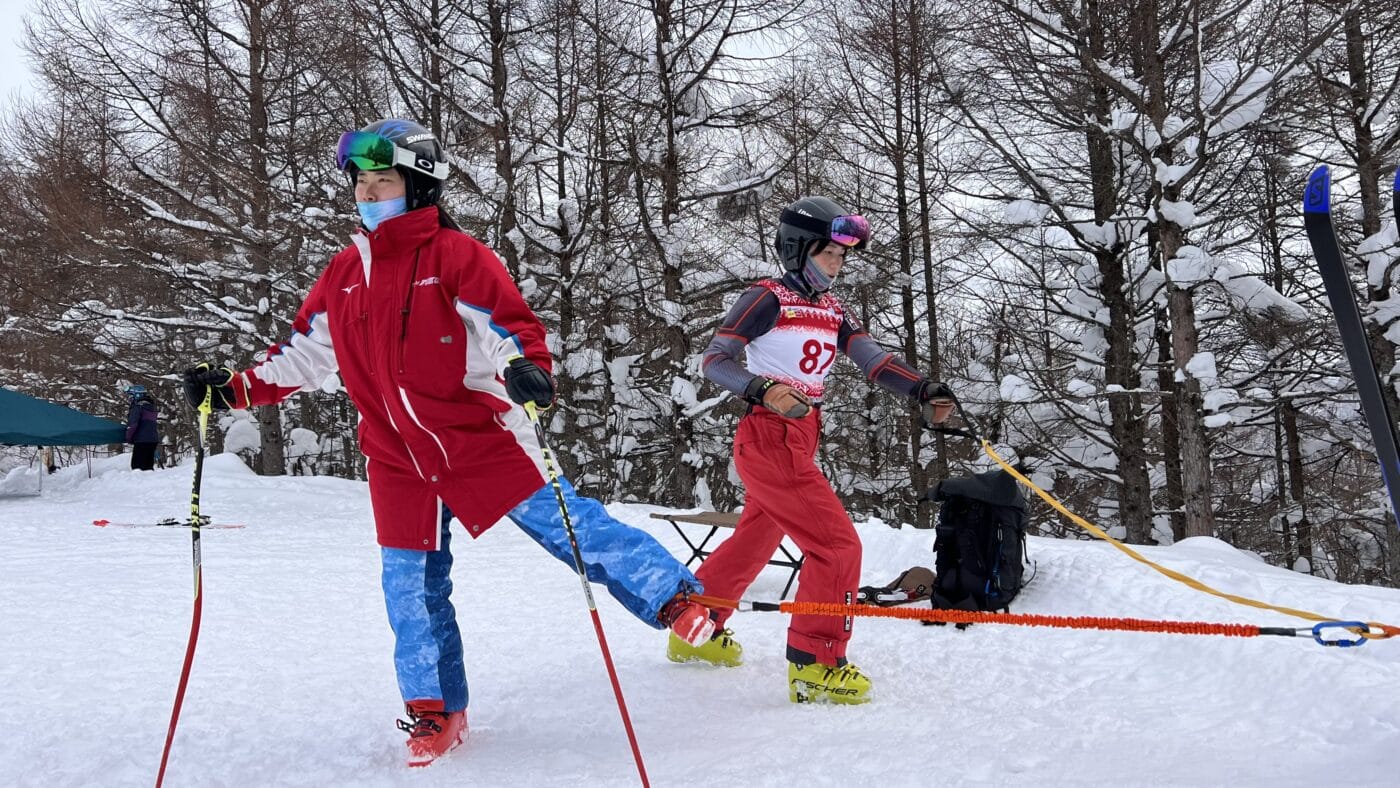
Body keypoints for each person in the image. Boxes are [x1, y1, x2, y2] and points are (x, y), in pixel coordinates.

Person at [180, 118, 714, 767]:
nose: (372, 193)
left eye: (386, 182)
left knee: (568, 526)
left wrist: (529, 368)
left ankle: (676, 596)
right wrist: (232, 390)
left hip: (477, 434)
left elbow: (508, 327)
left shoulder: (456, 257)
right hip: (395, 455)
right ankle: (435, 709)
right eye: (364, 183)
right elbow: (303, 355)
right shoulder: (345, 272)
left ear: (420, 188)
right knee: (408, 586)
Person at [675, 196, 954, 705]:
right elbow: (714, 360)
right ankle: (816, 663)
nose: (838, 265)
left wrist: (922, 388)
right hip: (770, 431)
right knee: (837, 546)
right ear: (800, 249)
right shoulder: (768, 297)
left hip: (799, 436)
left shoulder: (832, 309)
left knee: (756, 539)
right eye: (830, 254)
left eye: (843, 257)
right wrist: (761, 390)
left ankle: (695, 625)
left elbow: (871, 358)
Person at [124, 385, 160, 471]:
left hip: (141, 441)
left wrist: (129, 438)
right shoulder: (152, 407)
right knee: (148, 467)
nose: (129, 398)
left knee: (137, 467)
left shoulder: (138, 407)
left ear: (137, 395)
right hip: (153, 440)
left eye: (131, 395)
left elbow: (132, 425)